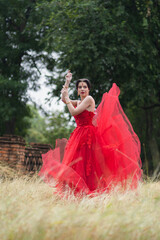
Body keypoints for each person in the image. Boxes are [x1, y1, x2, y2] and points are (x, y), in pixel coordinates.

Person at [39, 70, 142, 197]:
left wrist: (67, 100)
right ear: (77, 90)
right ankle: (77, 191)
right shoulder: (78, 101)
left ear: (88, 89)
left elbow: (74, 112)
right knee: (76, 162)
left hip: (88, 135)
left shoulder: (89, 99)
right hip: (78, 134)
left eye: (85, 87)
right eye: (80, 87)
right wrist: (67, 82)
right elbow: (64, 99)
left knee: (88, 163)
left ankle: (90, 190)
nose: (82, 89)